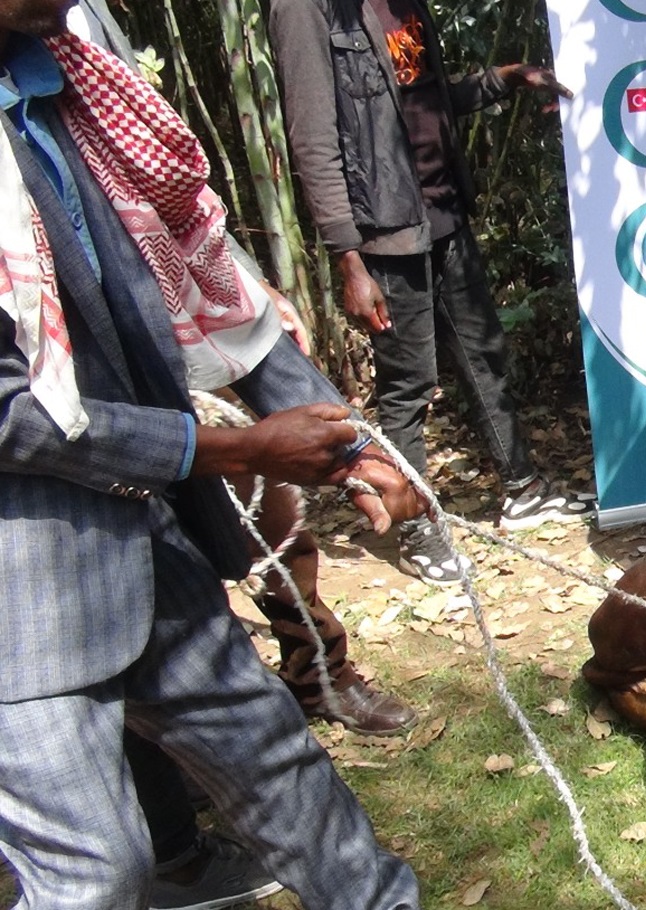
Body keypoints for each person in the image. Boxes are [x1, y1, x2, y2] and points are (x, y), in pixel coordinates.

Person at [0, 4, 425, 906]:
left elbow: (194, 265)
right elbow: (12, 416)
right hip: (19, 590)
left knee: (283, 774)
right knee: (95, 874)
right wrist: (234, 449)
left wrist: (349, 441)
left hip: (141, 541)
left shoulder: (62, 70)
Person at [68, 0, 417, 737]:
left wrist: (351, 446)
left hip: (171, 302)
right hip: (67, 368)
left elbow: (163, 191)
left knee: (271, 512)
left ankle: (315, 668)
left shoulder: (79, 21)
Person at [268, 0, 590, 586]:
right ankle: (417, 530)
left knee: (484, 355)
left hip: (443, 214)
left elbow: (422, 100)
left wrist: (503, 79)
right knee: (409, 385)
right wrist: (348, 257)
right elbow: (313, 139)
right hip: (384, 233)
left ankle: (522, 489)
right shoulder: (305, 9)